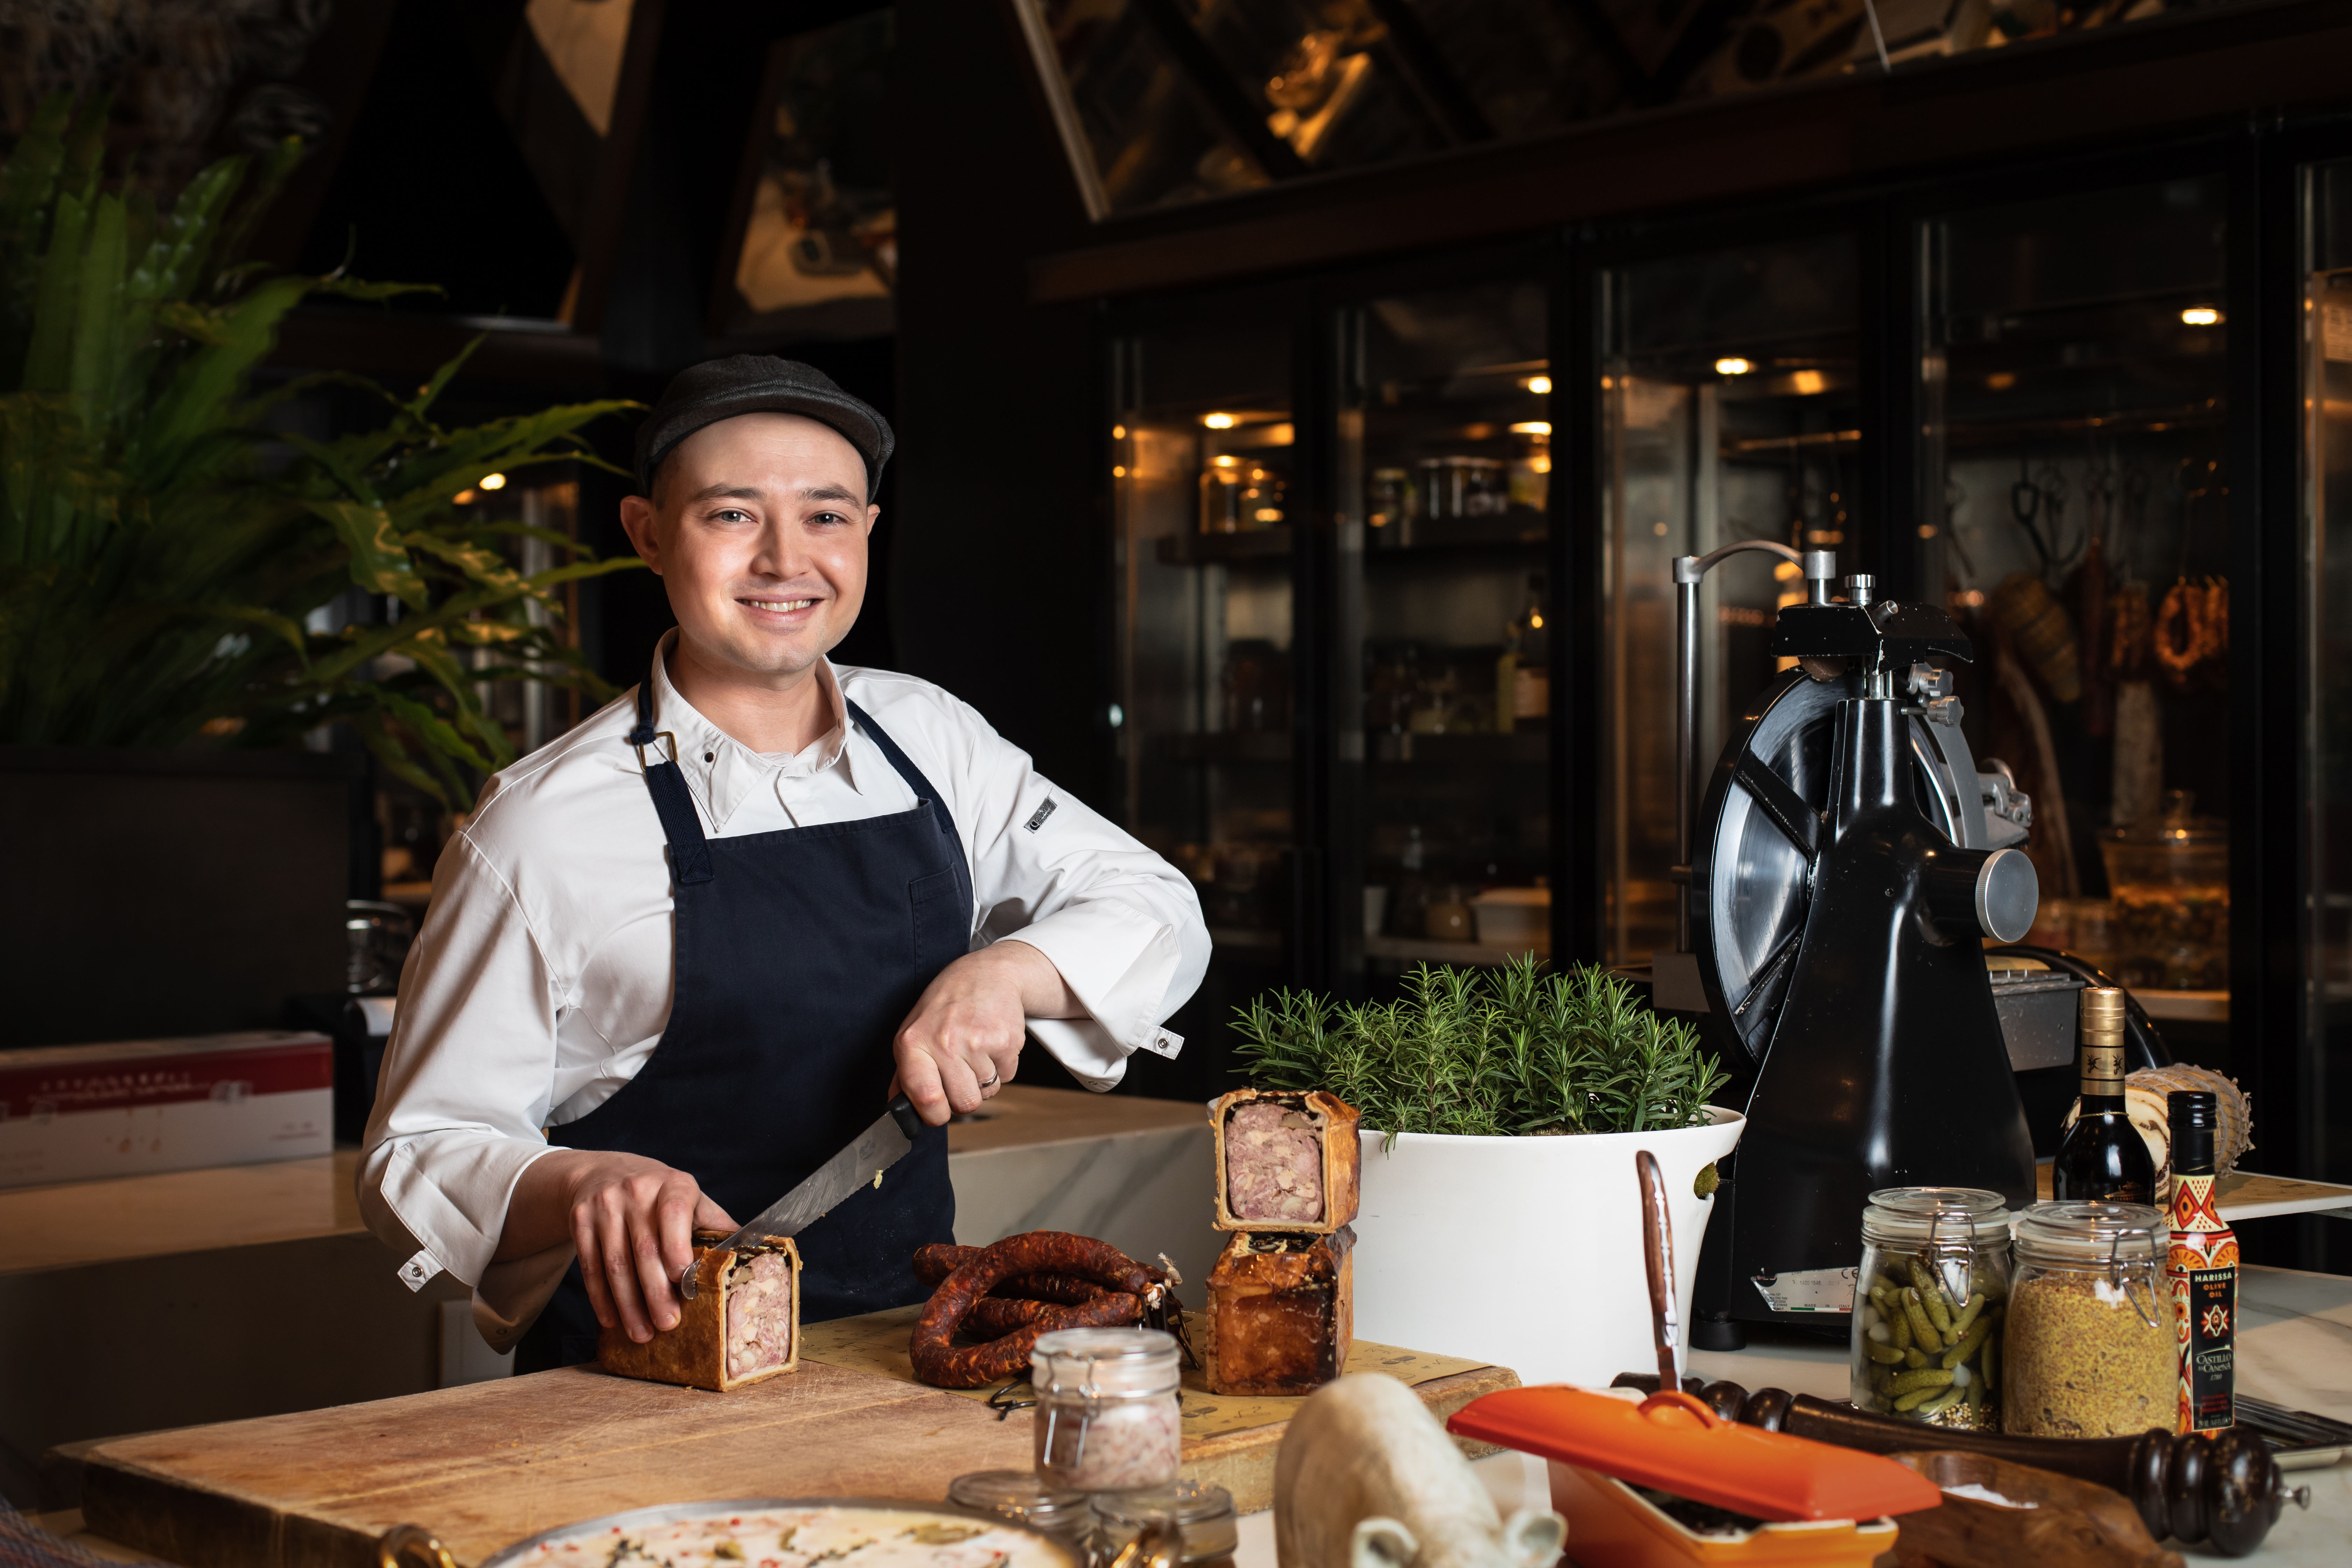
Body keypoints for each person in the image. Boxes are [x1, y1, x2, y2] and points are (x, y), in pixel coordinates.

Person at [357, 357, 1209, 1371]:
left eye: (826, 516)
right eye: (731, 516)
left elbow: (1153, 901)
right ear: (647, 535)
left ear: (868, 537)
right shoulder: (542, 827)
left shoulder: (933, 741)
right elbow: (418, 1153)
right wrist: (580, 1187)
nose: (784, 560)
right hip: (635, 1384)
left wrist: (1002, 975)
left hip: (902, 1358)